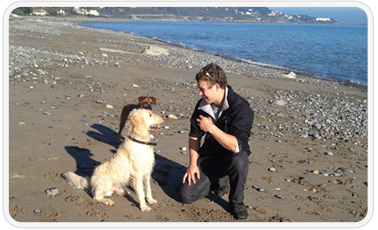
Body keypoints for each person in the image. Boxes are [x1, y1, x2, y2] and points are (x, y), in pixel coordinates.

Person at [179, 63, 254, 219]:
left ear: (217, 87)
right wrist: (192, 164)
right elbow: (194, 137)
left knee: (239, 158)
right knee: (186, 196)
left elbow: (236, 145)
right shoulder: (202, 107)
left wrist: (211, 128)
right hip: (210, 157)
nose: (200, 93)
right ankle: (219, 181)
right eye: (199, 89)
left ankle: (236, 201)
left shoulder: (241, 108)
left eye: (203, 89)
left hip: (232, 157)